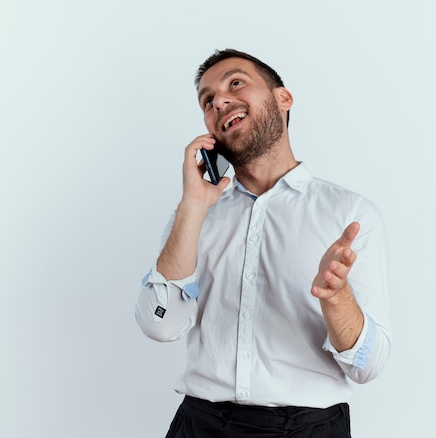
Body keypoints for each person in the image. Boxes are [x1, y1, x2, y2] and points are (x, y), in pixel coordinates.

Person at [135, 49, 391, 438]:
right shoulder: (194, 213)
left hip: (309, 428)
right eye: (207, 101)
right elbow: (159, 325)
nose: (218, 101)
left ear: (282, 99)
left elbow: (367, 366)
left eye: (235, 83)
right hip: (200, 424)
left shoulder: (351, 214)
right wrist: (192, 205)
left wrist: (337, 298)